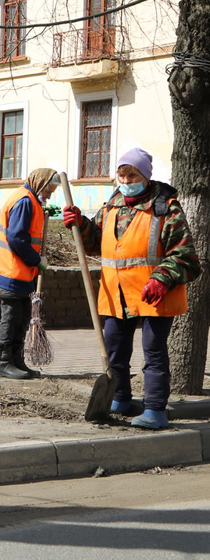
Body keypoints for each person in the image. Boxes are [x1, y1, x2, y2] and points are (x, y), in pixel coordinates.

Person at [63, 148, 200, 430]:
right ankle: (121, 397)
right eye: (122, 174)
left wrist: (161, 278)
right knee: (115, 347)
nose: (126, 180)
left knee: (153, 352)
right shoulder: (113, 204)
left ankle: (154, 410)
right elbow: (96, 243)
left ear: (146, 177)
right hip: (118, 294)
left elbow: (186, 256)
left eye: (132, 174)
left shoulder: (166, 207)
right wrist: (81, 225)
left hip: (154, 295)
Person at [0, 168, 59, 380]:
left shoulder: (31, 200)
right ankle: (2, 362)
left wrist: (43, 209)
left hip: (19, 272)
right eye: (49, 191)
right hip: (9, 271)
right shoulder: (24, 202)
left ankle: (17, 361)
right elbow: (17, 238)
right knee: (11, 317)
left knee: (21, 318)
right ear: (41, 185)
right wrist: (36, 260)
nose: (49, 195)